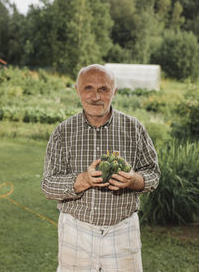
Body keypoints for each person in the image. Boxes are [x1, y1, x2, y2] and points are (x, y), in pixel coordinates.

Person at [41, 64, 160, 272]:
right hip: (75, 230)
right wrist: (83, 180)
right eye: (88, 88)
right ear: (77, 90)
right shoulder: (63, 132)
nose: (95, 96)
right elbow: (48, 185)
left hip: (123, 230)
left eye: (103, 89)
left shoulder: (134, 128)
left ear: (114, 92)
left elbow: (153, 174)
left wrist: (134, 180)